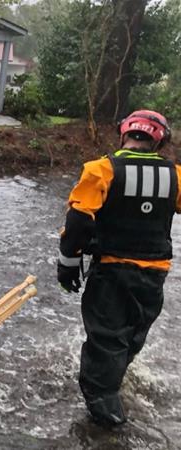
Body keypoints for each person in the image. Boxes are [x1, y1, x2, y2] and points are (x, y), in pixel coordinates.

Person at [57, 110, 179, 427]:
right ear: (160, 141)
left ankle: (105, 413)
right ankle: (110, 390)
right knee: (131, 336)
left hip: (111, 270)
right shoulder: (176, 175)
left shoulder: (101, 169)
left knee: (106, 338)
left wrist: (68, 261)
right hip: (154, 274)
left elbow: (79, 219)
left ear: (124, 133)